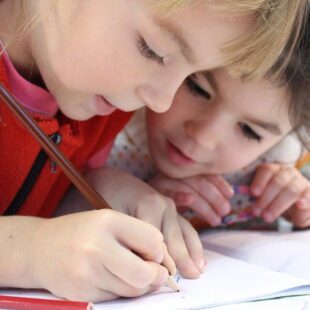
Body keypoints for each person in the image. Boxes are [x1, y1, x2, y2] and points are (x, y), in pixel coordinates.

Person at [0, 0, 307, 303]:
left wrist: (85, 198)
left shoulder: (102, 107)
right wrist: (30, 250)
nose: (161, 102)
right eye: (154, 51)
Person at [107, 8, 310, 230]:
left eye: (249, 131)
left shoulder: (275, 165)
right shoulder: (104, 116)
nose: (204, 137)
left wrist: (298, 208)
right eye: (198, 89)